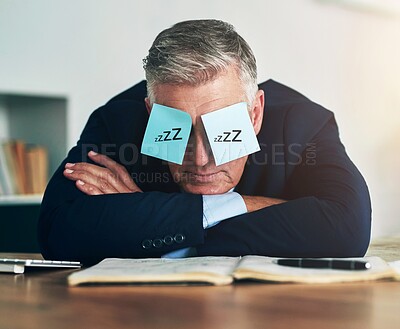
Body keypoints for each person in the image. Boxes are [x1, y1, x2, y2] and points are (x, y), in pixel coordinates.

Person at [38, 19, 371, 265]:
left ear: (255, 114)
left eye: (222, 131)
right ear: (152, 113)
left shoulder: (302, 125)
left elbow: (346, 229)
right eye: (175, 130)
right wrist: (260, 208)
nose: (199, 159)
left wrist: (147, 215)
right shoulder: (117, 124)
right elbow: (56, 233)